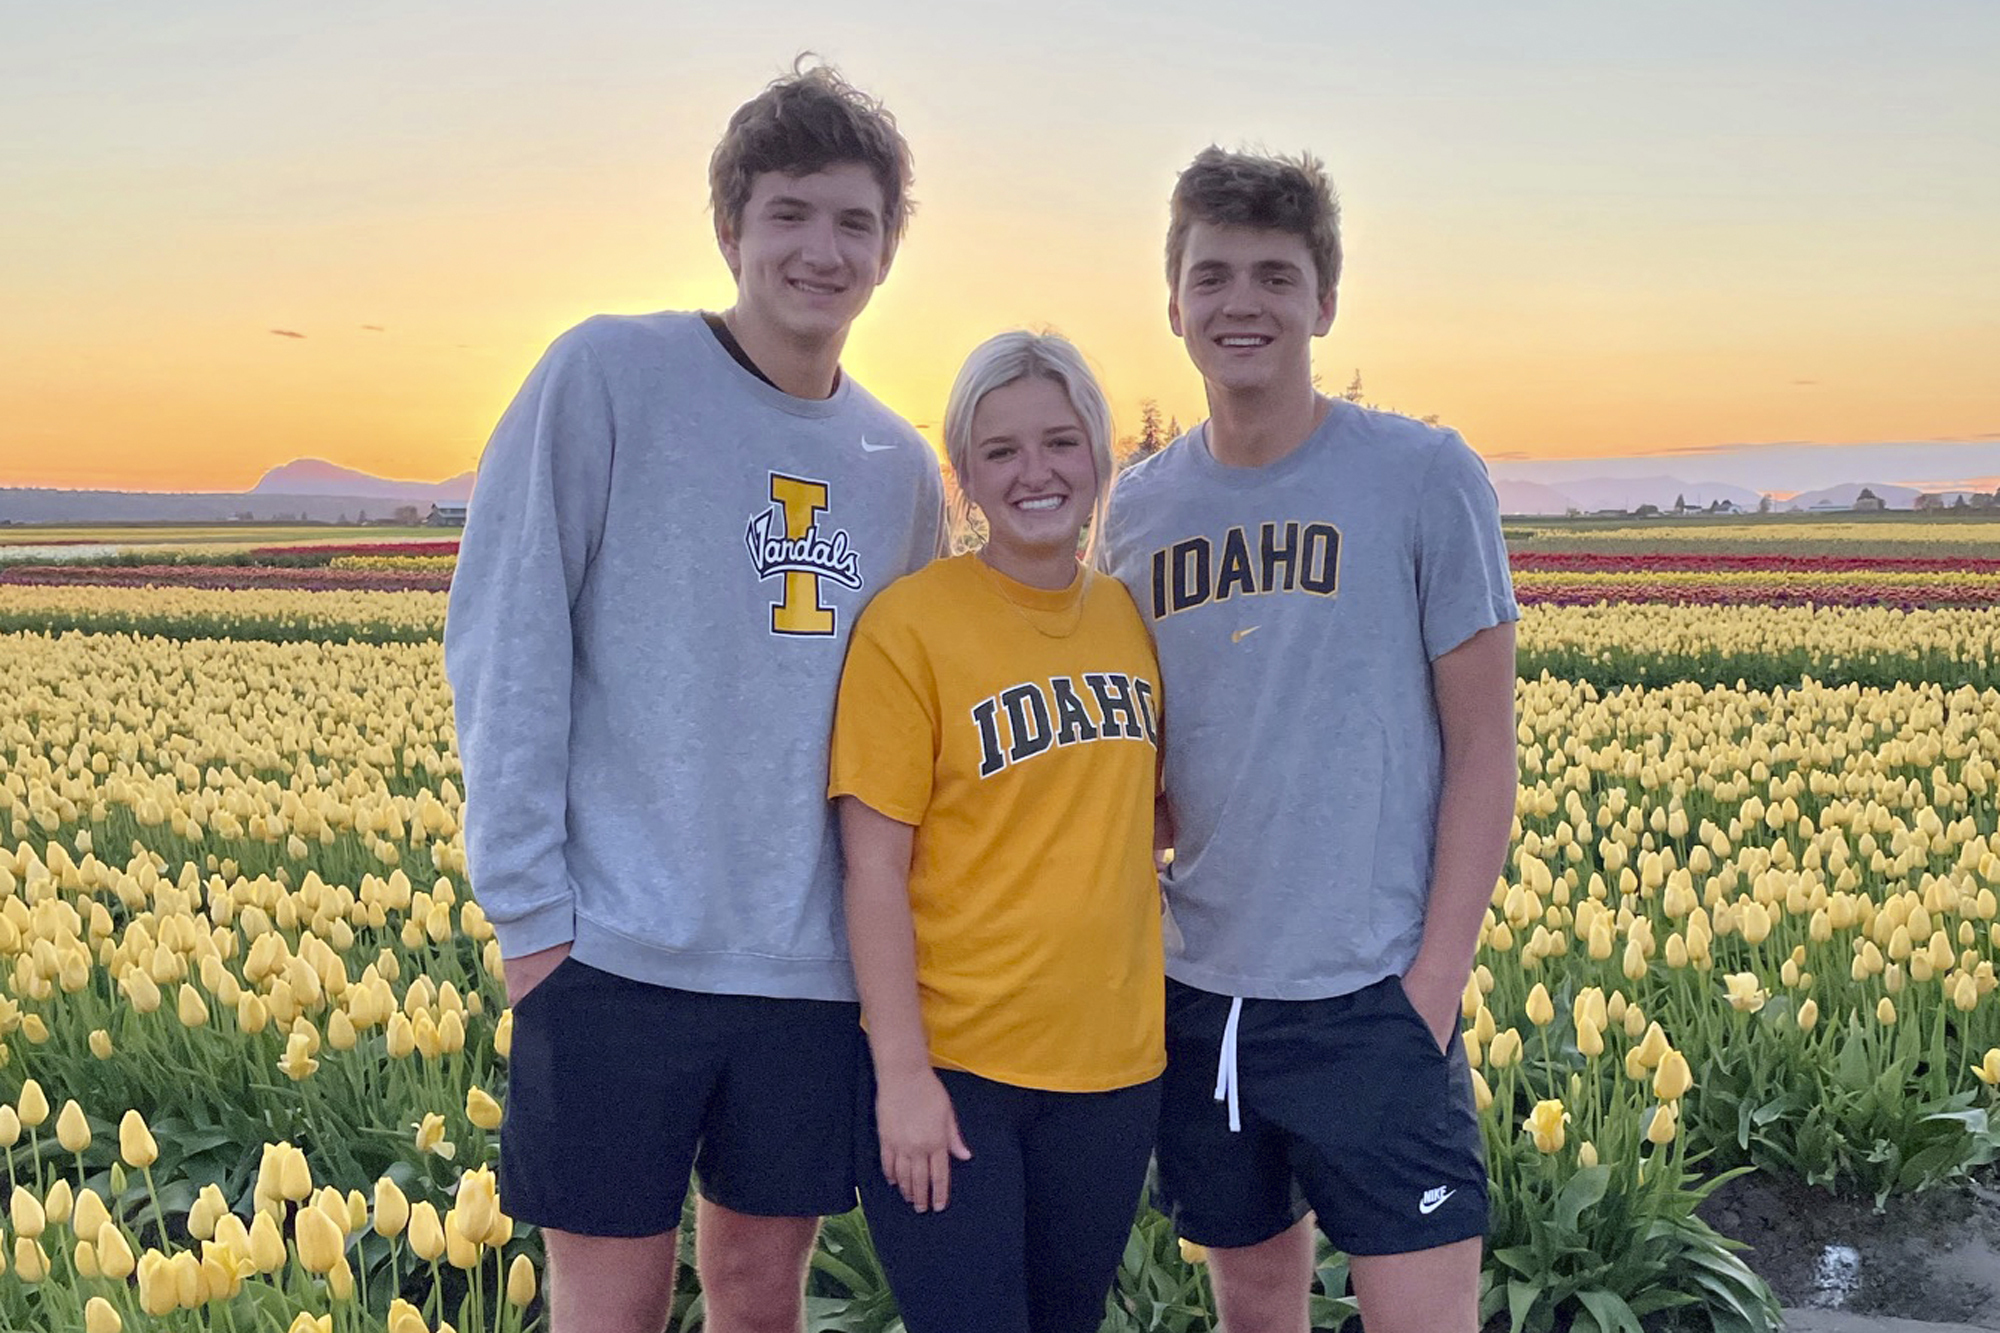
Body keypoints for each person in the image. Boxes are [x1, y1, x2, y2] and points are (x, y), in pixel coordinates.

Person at [444, 60, 945, 1333]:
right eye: (787, 213)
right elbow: (505, 636)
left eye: (852, 221)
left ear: (888, 250)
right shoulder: (608, 376)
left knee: (758, 1292)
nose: (819, 249)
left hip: (806, 968)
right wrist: (530, 928)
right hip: (612, 952)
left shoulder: (897, 470)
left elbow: (905, 736)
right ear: (730, 228)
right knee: (605, 1305)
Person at [1098, 147, 1520, 1333]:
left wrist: (1429, 987)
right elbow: (1151, 755)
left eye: (1276, 277)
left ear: (1322, 300)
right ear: (1173, 301)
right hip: (1205, 991)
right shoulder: (1138, 510)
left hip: (1371, 994)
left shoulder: (1423, 476)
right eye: (1214, 274)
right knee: (1252, 1315)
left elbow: (1484, 750)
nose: (1243, 303)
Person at [830, 331, 1165, 1333]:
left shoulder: (1131, 617)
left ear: (1099, 458)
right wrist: (901, 1078)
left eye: (1060, 443)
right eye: (1001, 450)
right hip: (958, 1073)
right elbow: (870, 865)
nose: (1035, 473)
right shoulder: (909, 626)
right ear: (963, 473)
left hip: (1112, 1072)